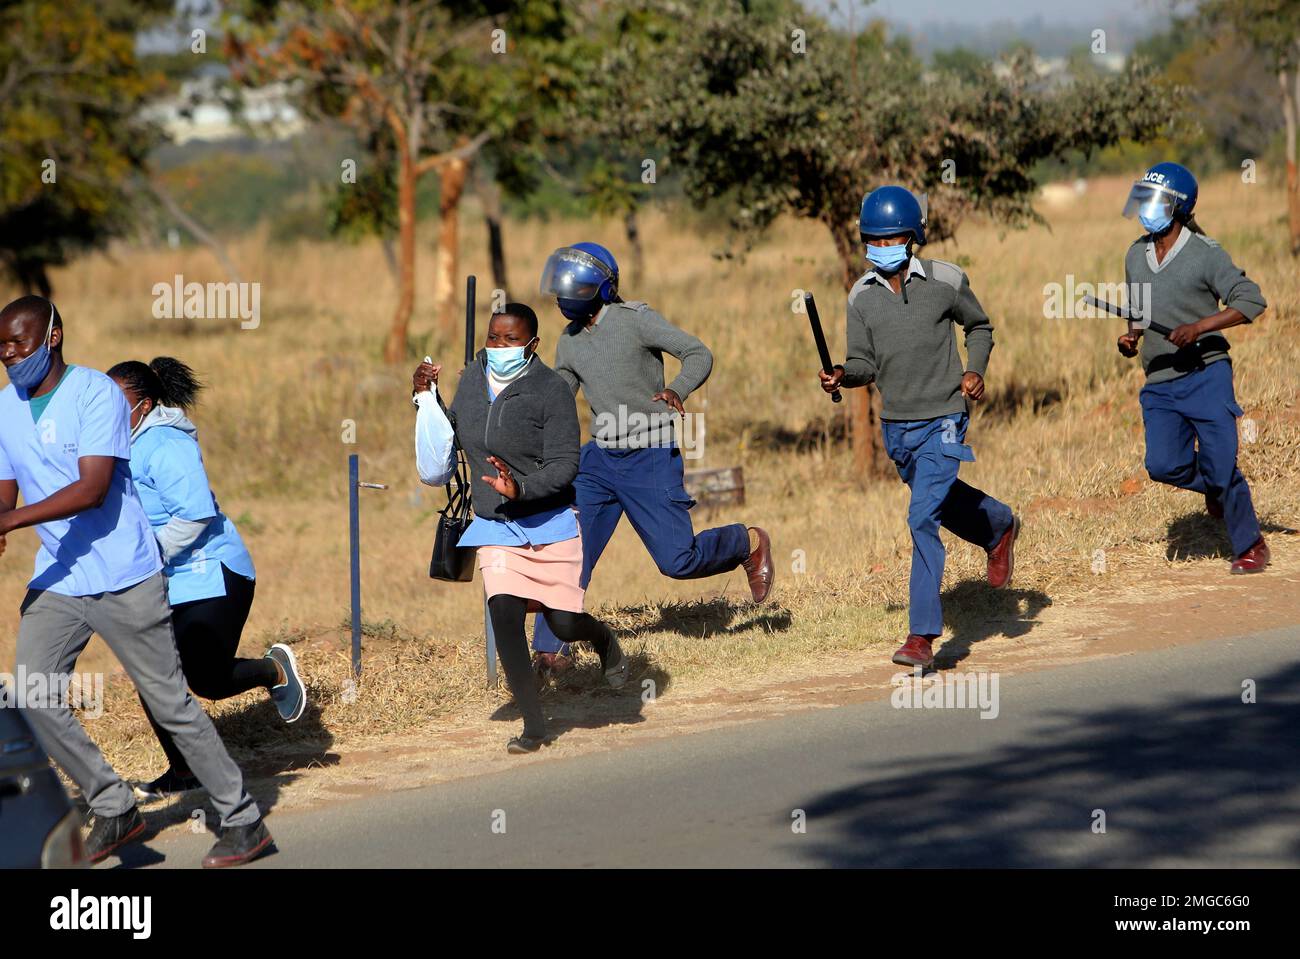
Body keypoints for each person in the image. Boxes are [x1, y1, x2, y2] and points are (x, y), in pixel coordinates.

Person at [0, 296, 271, 867]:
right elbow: (7, 486)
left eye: (17, 343)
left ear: (52, 337)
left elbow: (93, 487)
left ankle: (244, 820)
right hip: (60, 577)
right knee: (31, 691)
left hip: (125, 572)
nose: (8, 355)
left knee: (170, 702)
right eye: (0, 346)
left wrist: (13, 520)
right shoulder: (4, 408)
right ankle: (114, 803)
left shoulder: (96, 393)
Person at [530, 242, 774, 667]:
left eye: (575, 286)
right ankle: (550, 651)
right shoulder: (567, 343)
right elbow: (556, 401)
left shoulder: (636, 321)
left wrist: (676, 390)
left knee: (677, 561)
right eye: (561, 287)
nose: (563, 296)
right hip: (598, 463)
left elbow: (698, 353)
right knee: (570, 553)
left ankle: (745, 543)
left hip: (651, 454)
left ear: (602, 289)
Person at [818, 187, 1019, 670]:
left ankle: (921, 635)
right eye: (872, 239)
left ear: (913, 238)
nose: (881, 247)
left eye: (891, 238)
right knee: (940, 500)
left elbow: (980, 326)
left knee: (920, 517)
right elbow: (865, 363)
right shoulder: (860, 296)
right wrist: (844, 373)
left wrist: (975, 370)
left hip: (946, 418)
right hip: (898, 428)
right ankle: (999, 524)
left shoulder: (947, 280)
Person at [413, 302, 627, 753]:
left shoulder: (551, 390)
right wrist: (425, 399)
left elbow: (568, 464)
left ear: (532, 344)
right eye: (494, 338)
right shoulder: (472, 378)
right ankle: (535, 725)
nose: (500, 346)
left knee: (565, 624)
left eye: (511, 340)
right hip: (496, 525)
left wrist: (523, 488)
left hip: (549, 520)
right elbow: (453, 435)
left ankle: (604, 639)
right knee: (505, 614)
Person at [106, 356, 305, 803]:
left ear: (145, 404)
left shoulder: (164, 443)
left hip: (214, 573)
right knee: (150, 670)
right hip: (164, 579)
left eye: (119, 403)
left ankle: (274, 670)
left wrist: (146, 556)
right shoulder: (116, 446)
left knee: (208, 681)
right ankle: (184, 771)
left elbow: (195, 515)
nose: (107, 411)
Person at [1116, 162, 1269, 573]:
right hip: (1161, 379)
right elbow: (1138, 309)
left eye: (1155, 200)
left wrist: (1200, 327)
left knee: (1222, 465)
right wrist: (1132, 335)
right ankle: (1218, 487)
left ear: (1177, 207)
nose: (1145, 207)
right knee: (1163, 465)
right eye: (1143, 198)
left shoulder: (1206, 254)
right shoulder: (1134, 255)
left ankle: (1250, 543)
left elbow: (1251, 300)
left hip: (1207, 372)